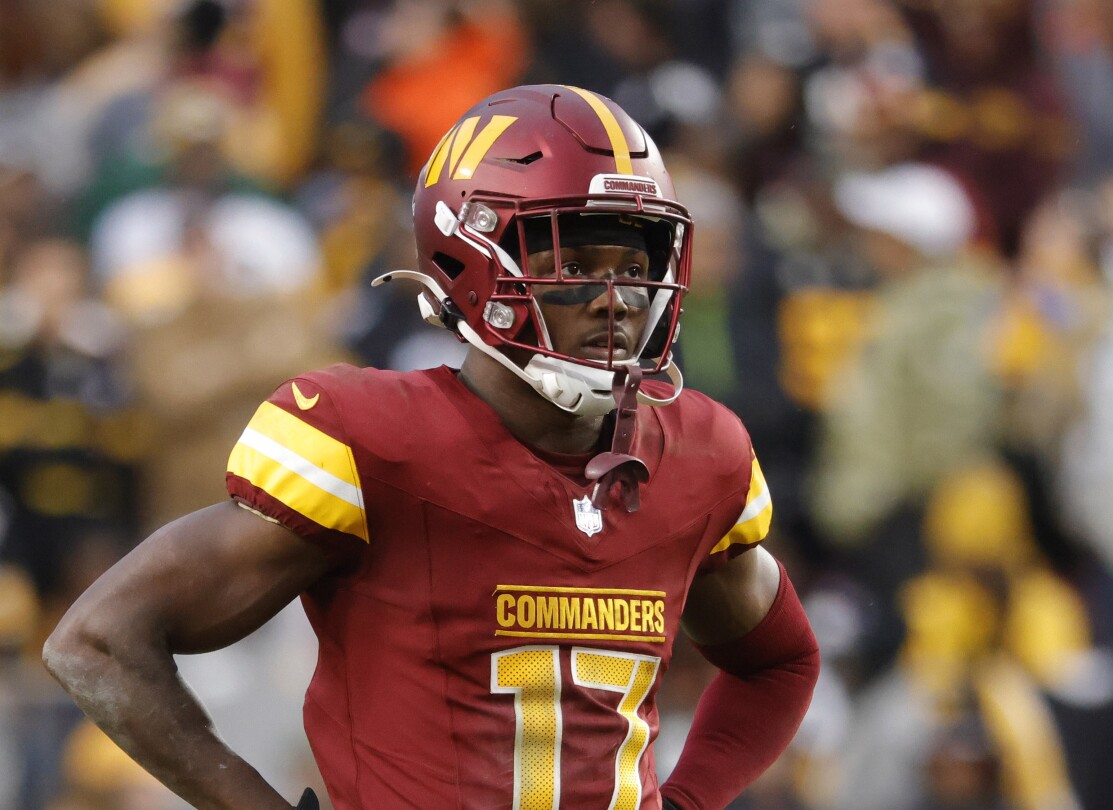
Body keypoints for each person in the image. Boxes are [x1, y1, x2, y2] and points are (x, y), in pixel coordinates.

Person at [41, 85, 820, 810]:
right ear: (471, 259)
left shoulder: (698, 454)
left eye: (636, 266)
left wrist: (688, 801)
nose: (615, 299)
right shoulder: (378, 444)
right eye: (574, 262)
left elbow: (782, 661)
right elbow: (98, 641)